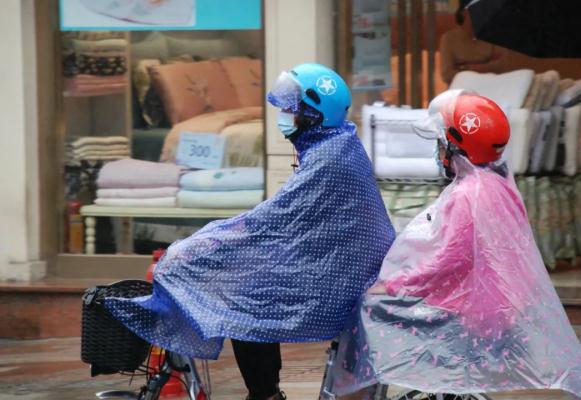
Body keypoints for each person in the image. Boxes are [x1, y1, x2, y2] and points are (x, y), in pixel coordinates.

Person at [105, 63, 396, 400]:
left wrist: (202, 243)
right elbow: (287, 220)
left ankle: (265, 394)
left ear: (313, 114)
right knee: (252, 286)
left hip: (343, 279)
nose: (283, 115)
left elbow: (268, 221)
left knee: (247, 298)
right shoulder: (335, 143)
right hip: (341, 266)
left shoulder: (328, 158)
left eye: (290, 109)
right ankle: (266, 392)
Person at [331, 91, 581, 400]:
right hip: (496, 311)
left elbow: (445, 261)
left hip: (470, 318)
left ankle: (356, 392)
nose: (437, 150)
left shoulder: (467, 195)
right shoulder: (496, 183)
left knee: (367, 312)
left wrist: (390, 286)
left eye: (440, 143)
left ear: (454, 145)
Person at [440, 0, 509, 84]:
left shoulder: (491, 35)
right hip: (463, 89)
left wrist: (478, 68)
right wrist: (471, 73)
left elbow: (504, 63)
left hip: (489, 87)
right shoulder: (449, 38)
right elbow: (447, 74)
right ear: (464, 13)